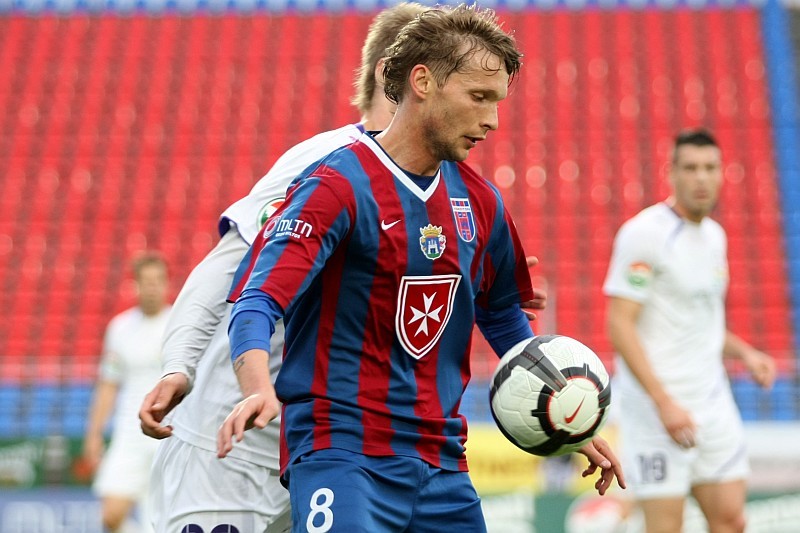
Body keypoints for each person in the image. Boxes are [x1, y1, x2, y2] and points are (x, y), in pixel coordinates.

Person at [218, 5, 625, 532]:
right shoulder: (335, 186)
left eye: (497, 102)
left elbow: (502, 313)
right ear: (423, 81)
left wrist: (565, 414)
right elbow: (258, 300)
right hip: (343, 451)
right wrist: (257, 386)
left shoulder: (481, 202)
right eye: (478, 97)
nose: (492, 120)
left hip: (441, 462)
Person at [137, 4, 432, 533]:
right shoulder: (327, 160)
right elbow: (222, 270)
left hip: (332, 445)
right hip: (233, 445)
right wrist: (179, 365)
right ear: (398, 76)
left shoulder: (428, 185)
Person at [603, 129, 776, 533]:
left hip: (712, 404)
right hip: (655, 411)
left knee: (731, 521)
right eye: (691, 168)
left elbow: (702, 321)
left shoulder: (715, 237)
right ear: (672, 173)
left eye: (710, 168)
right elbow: (619, 324)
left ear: (722, 173)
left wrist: (747, 353)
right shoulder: (644, 233)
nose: (702, 178)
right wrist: (663, 402)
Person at [83, 252, 171, 533]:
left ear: (166, 284)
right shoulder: (120, 328)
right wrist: (94, 433)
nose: (152, 287)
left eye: (158, 280)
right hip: (129, 433)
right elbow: (108, 384)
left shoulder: (177, 324)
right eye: (146, 281)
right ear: (136, 285)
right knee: (111, 515)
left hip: (168, 433)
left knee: (159, 521)